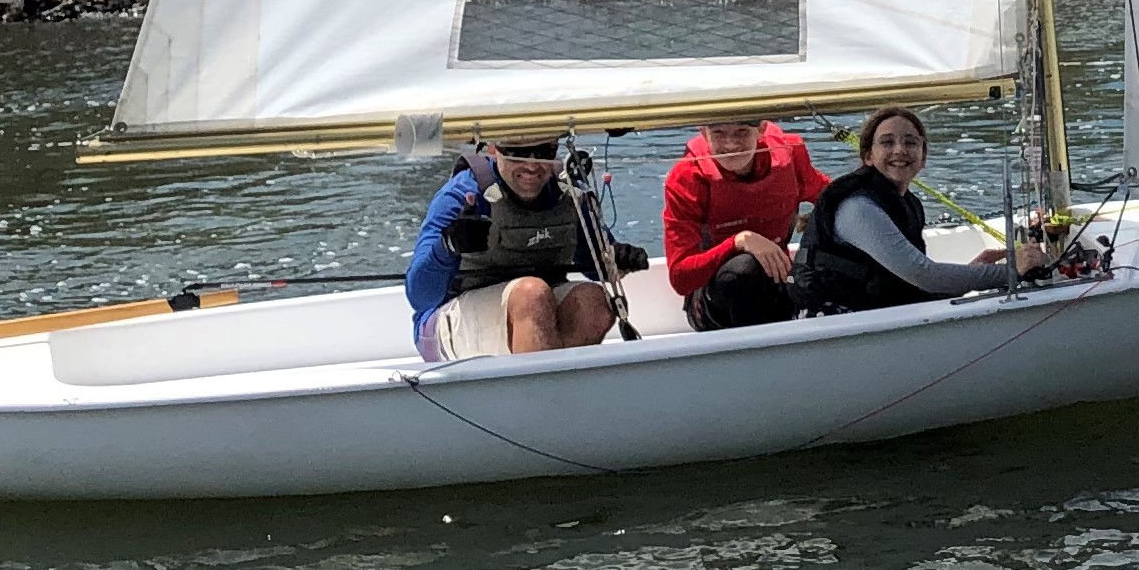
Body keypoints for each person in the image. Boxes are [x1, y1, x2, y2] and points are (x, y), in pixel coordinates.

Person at [794, 105, 1050, 315]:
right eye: (887, 142)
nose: (900, 150)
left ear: (923, 156)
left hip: (873, 317)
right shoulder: (858, 208)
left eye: (911, 142)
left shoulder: (907, 203)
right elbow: (923, 274)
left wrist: (975, 268)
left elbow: (911, 284)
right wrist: (1011, 272)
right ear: (868, 157)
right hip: (833, 325)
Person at [407, 138, 645, 362]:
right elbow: (419, 296)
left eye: (544, 152)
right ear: (493, 148)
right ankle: (544, 398)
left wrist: (618, 258)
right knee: (532, 295)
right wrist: (448, 245)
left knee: (594, 302)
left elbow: (595, 264)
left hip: (535, 305)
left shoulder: (569, 192)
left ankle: (552, 393)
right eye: (517, 153)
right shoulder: (461, 194)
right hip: (446, 322)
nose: (532, 166)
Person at [662, 116, 833, 331]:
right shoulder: (688, 177)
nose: (731, 144)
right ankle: (759, 353)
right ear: (704, 133)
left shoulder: (790, 155)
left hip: (778, 282)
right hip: (716, 302)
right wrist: (739, 242)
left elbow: (831, 197)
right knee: (742, 272)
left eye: (741, 132)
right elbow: (681, 278)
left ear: (761, 129)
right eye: (719, 133)